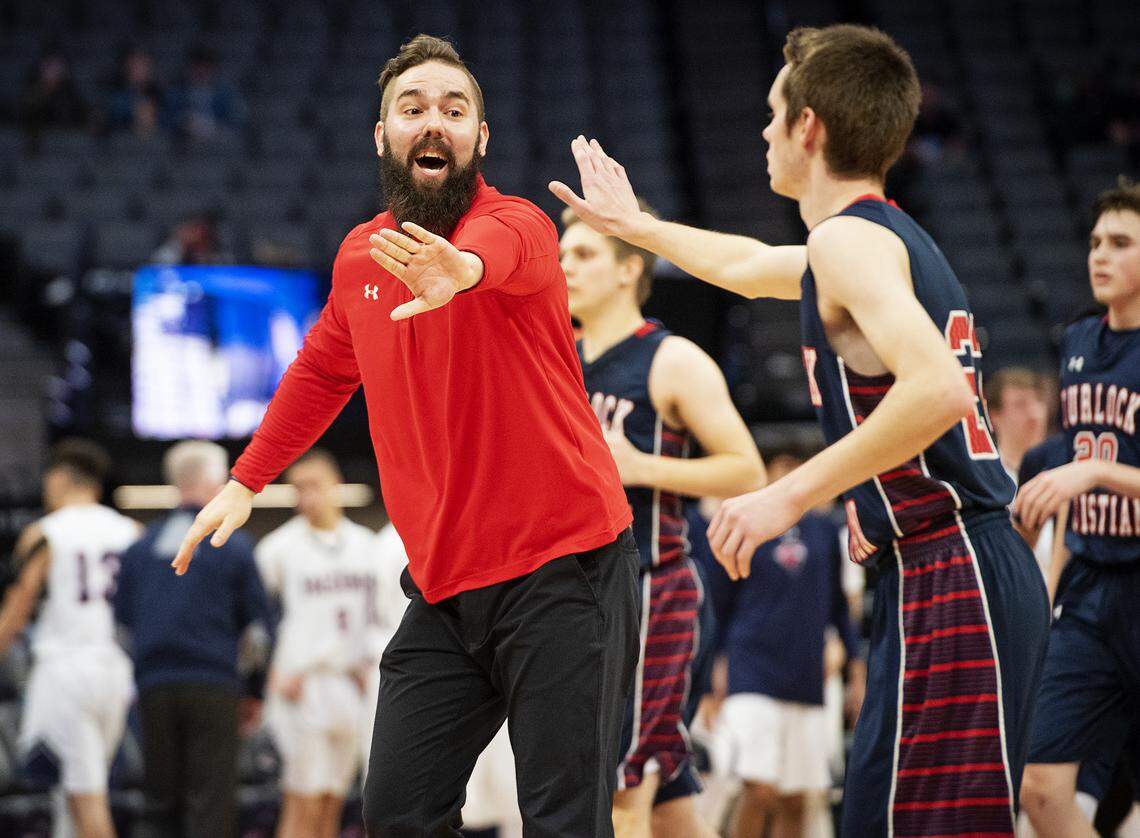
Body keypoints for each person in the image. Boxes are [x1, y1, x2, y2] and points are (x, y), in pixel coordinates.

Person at [551, 23, 1051, 837]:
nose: (761, 131)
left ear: (808, 126)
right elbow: (746, 267)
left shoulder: (852, 242)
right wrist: (634, 227)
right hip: (934, 563)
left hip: (956, 558)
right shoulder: (861, 240)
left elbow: (936, 391)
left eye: (773, 113)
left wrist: (787, 496)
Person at [170, 35, 640, 838]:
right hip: (446, 588)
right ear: (381, 134)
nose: (435, 123)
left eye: (455, 111)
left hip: (564, 572)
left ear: (480, 139)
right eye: (413, 108)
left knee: (564, 821)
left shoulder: (514, 225)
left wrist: (459, 270)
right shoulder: (361, 255)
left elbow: (508, 254)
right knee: (397, 813)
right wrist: (247, 481)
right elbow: (321, 373)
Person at [561, 202, 764, 837]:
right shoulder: (557, 356)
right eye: (562, 254)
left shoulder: (671, 360)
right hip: (576, 592)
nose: (566, 266)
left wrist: (645, 467)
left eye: (584, 254)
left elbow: (746, 471)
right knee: (671, 807)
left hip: (652, 589)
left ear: (629, 268)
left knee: (621, 799)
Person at [1015, 177, 1140, 838]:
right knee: (1039, 786)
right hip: (1090, 589)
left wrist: (1092, 470)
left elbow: (1088, 471)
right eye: (1095, 242)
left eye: (1120, 243)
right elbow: (1070, 504)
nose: (1100, 255)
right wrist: (1051, 586)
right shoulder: (1078, 344)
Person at [114, 441, 272, 838]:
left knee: (159, 803)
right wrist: (253, 690)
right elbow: (257, 632)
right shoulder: (233, 545)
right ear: (215, 481)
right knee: (211, 802)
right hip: (214, 685)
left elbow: (121, 629)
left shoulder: (139, 548)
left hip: (154, 688)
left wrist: (143, 677)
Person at [705, 449, 860, 838]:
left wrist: (856, 671)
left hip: (807, 672)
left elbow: (840, 608)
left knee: (798, 797)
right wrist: (711, 675)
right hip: (752, 667)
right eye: (782, 468)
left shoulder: (825, 530)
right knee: (759, 788)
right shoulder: (748, 523)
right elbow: (718, 605)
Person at [0, 439, 139, 838]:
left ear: (61, 478)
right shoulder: (131, 531)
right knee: (71, 793)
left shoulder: (45, 532)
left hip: (66, 670)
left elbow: (18, 606)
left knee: (85, 798)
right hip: (115, 672)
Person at [255, 450, 379, 838]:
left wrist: (369, 663)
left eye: (315, 486)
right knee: (301, 799)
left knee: (333, 800)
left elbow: (381, 617)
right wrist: (269, 671)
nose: (307, 497)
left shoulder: (367, 545)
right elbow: (257, 622)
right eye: (298, 489)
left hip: (349, 681)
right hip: (301, 683)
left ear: (336, 486)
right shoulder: (277, 548)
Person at [985, 367, 1051, 481]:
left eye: (1039, 401)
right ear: (993, 415)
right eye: (1020, 404)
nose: (1034, 414)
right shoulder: (986, 477)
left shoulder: (1064, 469)